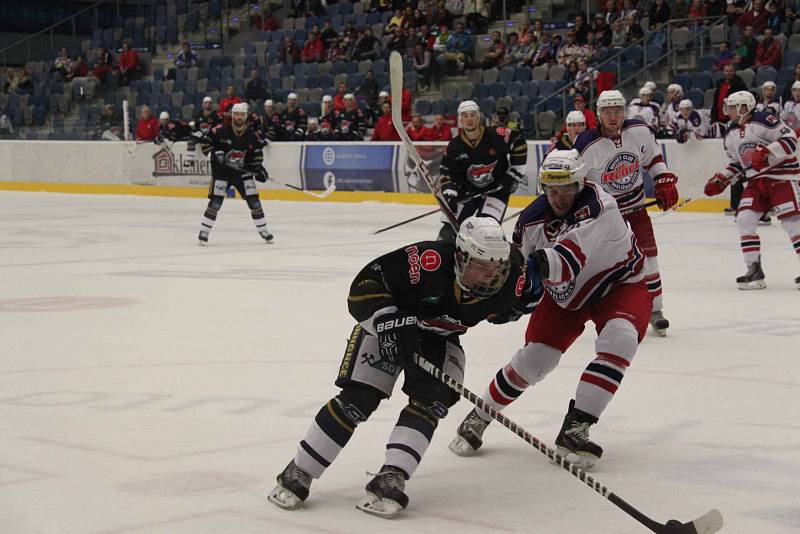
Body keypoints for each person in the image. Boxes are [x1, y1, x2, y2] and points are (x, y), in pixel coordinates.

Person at [268, 215, 533, 516]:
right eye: (481, 268)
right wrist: (386, 319)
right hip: (390, 323)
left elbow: (529, 294)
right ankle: (300, 469)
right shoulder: (427, 261)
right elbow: (363, 285)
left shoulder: (511, 279)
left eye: (495, 270)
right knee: (358, 399)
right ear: (460, 258)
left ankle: (392, 475)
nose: (490, 278)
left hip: (439, 337)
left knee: (432, 400)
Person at [449, 149, 651, 468]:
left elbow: (566, 261)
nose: (558, 198)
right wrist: (505, 299)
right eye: (552, 190)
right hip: (565, 298)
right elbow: (515, 272)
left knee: (621, 338)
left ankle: (577, 426)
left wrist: (530, 271)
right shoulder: (531, 221)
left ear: (580, 184)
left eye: (566, 189)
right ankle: (480, 414)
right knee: (535, 360)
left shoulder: (601, 207)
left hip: (618, 284)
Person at [573, 90, 679, 336]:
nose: (613, 116)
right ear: (599, 115)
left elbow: (653, 159)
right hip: (605, 215)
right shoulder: (587, 145)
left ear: (624, 112)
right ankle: (606, 310)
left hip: (636, 206)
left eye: (617, 111)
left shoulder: (640, 132)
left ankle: (656, 310)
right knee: (605, 264)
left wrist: (662, 180)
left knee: (649, 258)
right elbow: (578, 184)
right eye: (607, 112)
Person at [704, 91, 800, 289]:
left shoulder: (764, 119)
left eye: (731, 107)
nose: (727, 111)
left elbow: (790, 140)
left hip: (781, 177)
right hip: (756, 182)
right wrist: (722, 179)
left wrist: (767, 152)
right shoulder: (730, 132)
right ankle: (754, 269)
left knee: (792, 223)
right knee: (744, 219)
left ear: (743, 107)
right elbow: (738, 164)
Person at [436, 100, 528, 241]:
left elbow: (519, 142)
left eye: (473, 115)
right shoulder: (454, 145)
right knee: (448, 233)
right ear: (460, 119)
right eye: (465, 116)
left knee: (486, 231)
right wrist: (450, 193)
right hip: (467, 192)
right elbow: (446, 172)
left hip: (497, 190)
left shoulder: (496, 134)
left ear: (478, 117)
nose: (469, 119)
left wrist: (514, 175)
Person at [198, 103, 272, 245]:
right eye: (236, 114)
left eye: (242, 114)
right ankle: (204, 231)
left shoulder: (252, 135)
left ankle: (263, 230)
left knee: (254, 202)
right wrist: (214, 153)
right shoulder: (219, 130)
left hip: (242, 174)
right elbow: (205, 143)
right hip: (222, 173)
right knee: (215, 203)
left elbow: (256, 154)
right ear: (232, 116)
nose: (239, 117)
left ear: (246, 116)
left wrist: (258, 169)